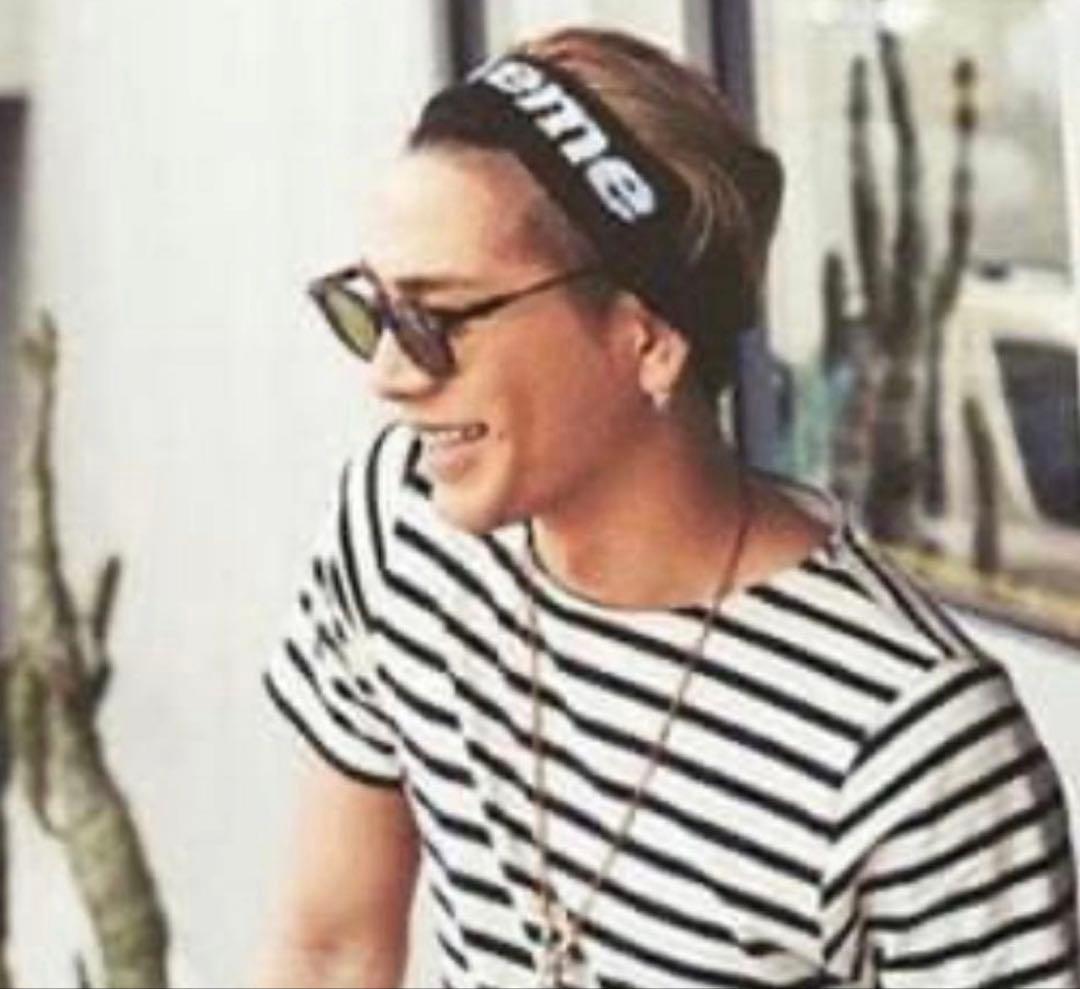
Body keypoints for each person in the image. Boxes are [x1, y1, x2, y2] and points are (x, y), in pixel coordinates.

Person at [254, 26, 1079, 989]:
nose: (390, 374)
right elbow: (331, 949)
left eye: (437, 320)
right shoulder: (401, 527)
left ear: (647, 340)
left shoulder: (909, 731)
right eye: (372, 309)